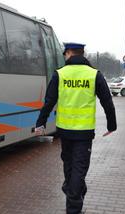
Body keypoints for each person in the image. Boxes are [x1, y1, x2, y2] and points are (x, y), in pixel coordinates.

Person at [35, 43, 117, 214]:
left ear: (70, 53)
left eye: (65, 54)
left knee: (70, 167)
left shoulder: (60, 74)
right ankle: (76, 191)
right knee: (77, 169)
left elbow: (49, 101)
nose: (65, 56)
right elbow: (107, 102)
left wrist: (40, 123)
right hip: (84, 133)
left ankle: (73, 207)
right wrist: (112, 125)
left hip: (64, 131)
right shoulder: (94, 75)